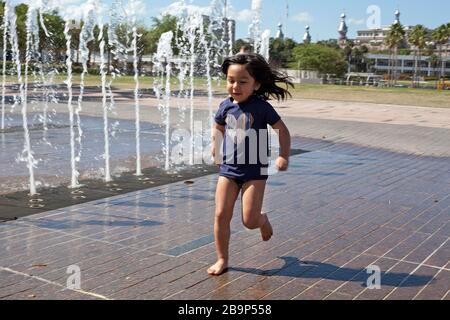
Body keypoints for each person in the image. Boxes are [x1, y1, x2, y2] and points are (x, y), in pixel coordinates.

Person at [208, 53, 293, 276]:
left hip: (254, 171)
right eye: (230, 80)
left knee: (249, 220)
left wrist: (284, 155)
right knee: (220, 214)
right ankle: (222, 258)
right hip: (228, 169)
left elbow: (282, 130)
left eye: (243, 81)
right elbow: (218, 126)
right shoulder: (225, 106)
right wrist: (216, 146)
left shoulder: (262, 107)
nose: (235, 86)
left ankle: (262, 219)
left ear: (256, 84)